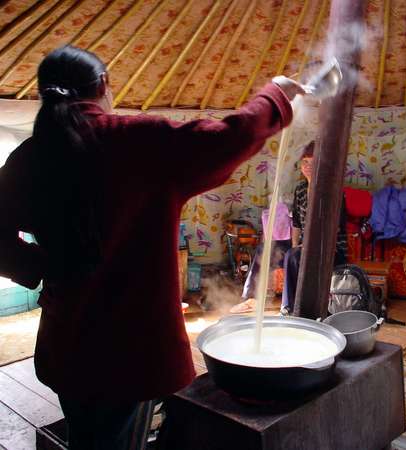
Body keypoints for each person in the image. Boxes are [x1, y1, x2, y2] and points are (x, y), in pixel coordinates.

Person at [0, 45, 304, 449]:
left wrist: (41, 268)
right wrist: (276, 93)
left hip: (67, 341)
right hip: (135, 347)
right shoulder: (138, 141)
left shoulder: (29, 158)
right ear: (104, 86)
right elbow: (233, 135)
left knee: (92, 436)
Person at [280, 140, 348, 315]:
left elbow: (334, 228)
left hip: (330, 249)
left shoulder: (332, 191)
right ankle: (250, 299)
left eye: (313, 162)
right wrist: (296, 244)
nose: (308, 166)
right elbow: (296, 222)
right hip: (304, 247)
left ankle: (291, 308)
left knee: (293, 256)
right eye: (305, 162)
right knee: (267, 250)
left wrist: (304, 247)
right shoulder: (301, 189)